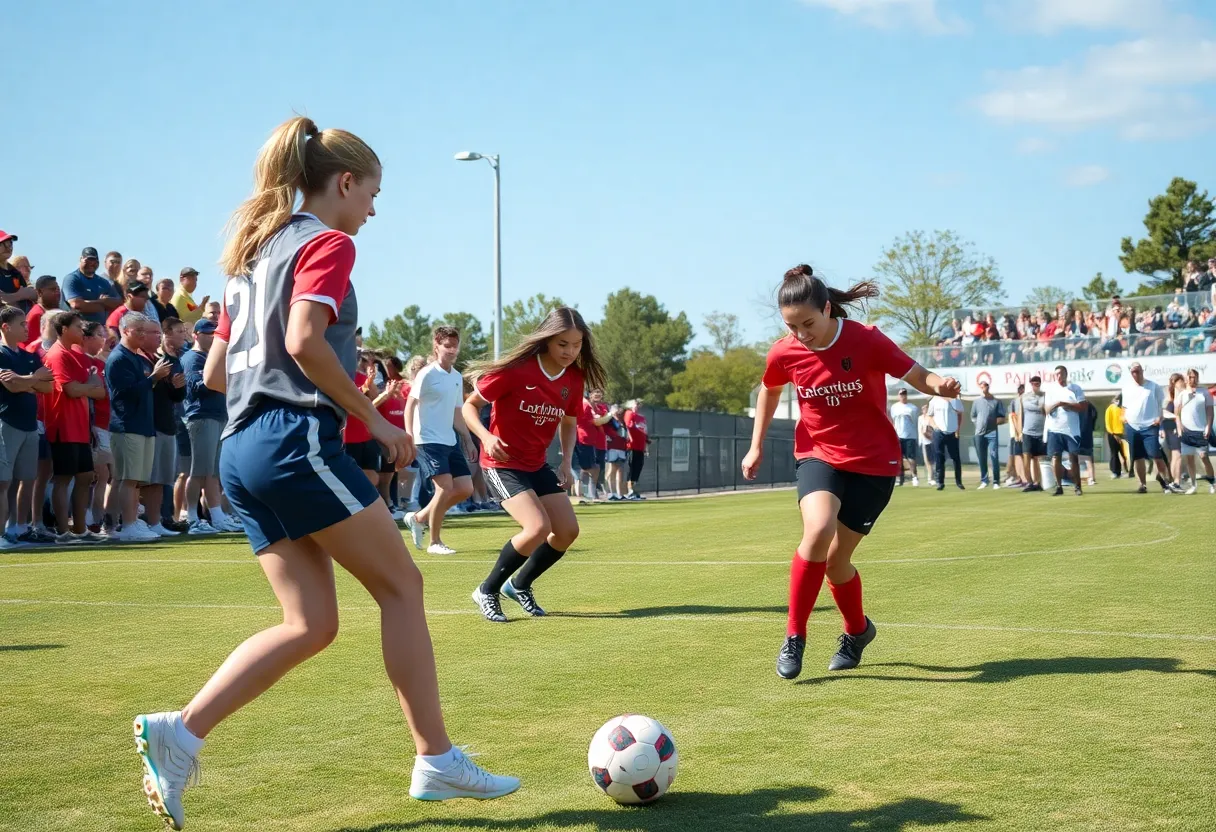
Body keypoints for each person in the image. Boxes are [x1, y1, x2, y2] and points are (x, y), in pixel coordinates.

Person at [132, 117, 517, 832]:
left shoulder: (251, 255)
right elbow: (304, 340)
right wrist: (374, 420)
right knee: (403, 585)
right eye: (372, 192)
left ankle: (179, 734)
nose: (374, 208)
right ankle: (435, 758)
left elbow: (216, 370)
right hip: (291, 437)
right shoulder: (328, 242)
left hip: (242, 447)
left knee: (309, 623)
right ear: (344, 183)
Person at [742, 264, 960, 681]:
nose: (801, 334)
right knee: (818, 530)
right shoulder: (784, 351)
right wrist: (755, 446)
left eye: (808, 323)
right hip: (818, 454)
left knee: (837, 562)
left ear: (828, 309)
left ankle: (857, 631)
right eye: (792, 326)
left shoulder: (866, 340)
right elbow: (770, 390)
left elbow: (916, 374)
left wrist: (940, 386)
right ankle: (794, 637)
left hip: (874, 464)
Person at [463, 307, 603, 622]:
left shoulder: (573, 378)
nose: (570, 351)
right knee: (537, 527)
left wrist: (566, 462)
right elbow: (469, 407)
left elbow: (569, 422)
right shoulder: (516, 369)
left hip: (537, 465)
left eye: (577, 344)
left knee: (566, 531)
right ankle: (487, 589)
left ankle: (520, 584)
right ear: (546, 341)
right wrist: (486, 438)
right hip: (501, 465)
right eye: (562, 344)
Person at [404, 326, 476, 556]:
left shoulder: (456, 377)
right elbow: (410, 404)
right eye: (448, 346)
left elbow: (457, 412)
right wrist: (408, 434)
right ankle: (435, 542)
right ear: (437, 346)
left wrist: (467, 438)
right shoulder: (426, 373)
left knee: (465, 488)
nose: (453, 350)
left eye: (455, 346)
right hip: (427, 439)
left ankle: (419, 517)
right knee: (444, 488)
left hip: (449, 439)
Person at [106, 312, 170, 542]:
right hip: (127, 426)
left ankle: (133, 522)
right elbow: (123, 393)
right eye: (138, 330)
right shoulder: (118, 358)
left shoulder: (135, 357)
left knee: (137, 480)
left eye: (145, 330)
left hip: (142, 425)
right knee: (129, 478)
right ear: (125, 331)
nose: (143, 335)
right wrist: (153, 378)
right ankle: (128, 525)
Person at [45, 312, 106, 540]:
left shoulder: (76, 355)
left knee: (85, 475)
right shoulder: (58, 355)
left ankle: (80, 529)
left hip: (80, 427)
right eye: (78, 327)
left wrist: (85, 387)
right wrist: (86, 386)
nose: (82, 331)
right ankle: (63, 530)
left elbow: (99, 391)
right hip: (63, 424)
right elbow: (71, 390)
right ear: (63, 330)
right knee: (63, 477)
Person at [0, 307, 53, 548]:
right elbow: (10, 386)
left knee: (27, 478)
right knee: (3, 481)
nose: (26, 328)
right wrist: (34, 379)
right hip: (7, 422)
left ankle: (18, 528)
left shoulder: (27, 356)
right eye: (21, 324)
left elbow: (48, 386)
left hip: (30, 424)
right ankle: (2, 534)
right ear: (5, 327)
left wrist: (26, 381)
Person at [179, 319, 237, 534]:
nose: (212, 337)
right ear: (195, 334)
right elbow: (197, 387)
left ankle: (216, 516)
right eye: (207, 333)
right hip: (201, 416)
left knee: (211, 472)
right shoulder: (192, 358)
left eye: (214, 333)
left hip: (217, 415)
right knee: (199, 471)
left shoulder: (209, 358)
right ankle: (192, 517)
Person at [147, 317, 187, 536]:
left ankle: (166, 518)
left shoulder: (178, 360)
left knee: (166, 476)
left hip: (170, 421)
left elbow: (176, 395)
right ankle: (157, 518)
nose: (184, 335)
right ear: (166, 334)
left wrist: (178, 387)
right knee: (155, 477)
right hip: (154, 424)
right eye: (179, 331)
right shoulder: (158, 360)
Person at [1120, 362, 1178, 494]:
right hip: (1132, 426)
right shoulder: (1127, 388)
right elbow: (1125, 408)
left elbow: (1161, 406)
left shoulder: (1153, 387)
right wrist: (1124, 418)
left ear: (1142, 371)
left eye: (1138, 371)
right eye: (1133, 371)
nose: (1136, 374)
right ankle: (1142, 484)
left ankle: (1166, 482)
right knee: (1137, 457)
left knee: (1156, 455)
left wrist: (1159, 418)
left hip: (1150, 426)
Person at [373, 356, 410, 516]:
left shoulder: (398, 389)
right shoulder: (379, 392)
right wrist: (385, 395)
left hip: (396, 439)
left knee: (390, 475)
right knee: (381, 477)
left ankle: (391, 503)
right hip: (380, 438)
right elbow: (370, 407)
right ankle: (387, 505)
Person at [1044, 366, 1086, 497]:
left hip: (1071, 430)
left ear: (1066, 374)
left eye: (1061, 373)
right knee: (1056, 457)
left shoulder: (1075, 388)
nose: (1059, 376)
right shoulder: (1050, 390)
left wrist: (1066, 404)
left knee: (1073, 457)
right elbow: (1046, 409)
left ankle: (1077, 486)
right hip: (1054, 429)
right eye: (1056, 374)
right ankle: (1059, 486)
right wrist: (1056, 404)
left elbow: (1083, 406)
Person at [62, 247, 124, 326]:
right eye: (88, 260)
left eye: (95, 260)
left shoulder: (103, 282)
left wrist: (92, 302)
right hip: (78, 329)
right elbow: (76, 305)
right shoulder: (72, 279)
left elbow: (119, 303)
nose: (92, 263)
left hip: (99, 330)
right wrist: (103, 303)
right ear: (81, 259)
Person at [1177, 368, 1215, 494]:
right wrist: (1179, 428)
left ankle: (1213, 482)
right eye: (1191, 377)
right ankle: (1193, 485)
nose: (1193, 379)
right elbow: (1177, 413)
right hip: (1186, 431)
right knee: (1189, 458)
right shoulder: (1181, 394)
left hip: (1201, 430)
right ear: (1186, 378)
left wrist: (1208, 426)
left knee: (1204, 457)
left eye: (1195, 377)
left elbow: (1210, 411)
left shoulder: (1204, 392)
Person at [970, 380, 1005, 489]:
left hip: (992, 433)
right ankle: (984, 480)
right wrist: (979, 424)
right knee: (982, 458)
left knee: (994, 456)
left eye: (984, 386)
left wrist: (993, 422)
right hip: (979, 434)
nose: (982, 388)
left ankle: (996, 481)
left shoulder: (996, 402)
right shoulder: (976, 402)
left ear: (988, 387)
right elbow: (973, 416)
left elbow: (1002, 417)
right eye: (981, 386)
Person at [927, 391, 964, 491]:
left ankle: (959, 482)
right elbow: (929, 415)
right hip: (939, 432)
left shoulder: (955, 399)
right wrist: (935, 426)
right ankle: (940, 482)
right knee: (939, 457)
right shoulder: (934, 400)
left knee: (955, 458)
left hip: (952, 432)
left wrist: (957, 429)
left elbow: (960, 414)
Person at [1020, 375, 1047, 492]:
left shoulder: (1045, 396)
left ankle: (1037, 482)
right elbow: (1021, 414)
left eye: (1037, 383)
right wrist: (1019, 431)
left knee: (1038, 459)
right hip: (1027, 432)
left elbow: (1046, 411)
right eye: (1033, 383)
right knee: (1026, 457)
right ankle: (1029, 482)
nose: (1035, 385)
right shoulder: (1024, 397)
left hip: (1041, 432)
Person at [888, 388, 920, 487]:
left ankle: (914, 476)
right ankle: (900, 478)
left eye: (904, 394)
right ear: (899, 396)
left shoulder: (912, 408)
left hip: (910, 436)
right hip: (898, 436)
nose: (903, 396)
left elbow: (915, 421)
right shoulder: (894, 407)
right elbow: (892, 420)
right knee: (899, 458)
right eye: (901, 394)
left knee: (911, 458)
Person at [0, 229, 37, 310]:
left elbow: (32, 295)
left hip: (20, 319)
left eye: (10, 243)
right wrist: (20, 295)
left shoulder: (15, 273)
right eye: (1, 245)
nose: (8, 248)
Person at [23, 276, 62, 348]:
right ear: (40, 292)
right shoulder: (37, 315)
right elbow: (30, 346)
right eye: (53, 289)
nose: (57, 293)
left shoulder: (54, 313)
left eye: (58, 289)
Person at [623, 397, 649, 499]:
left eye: (639, 404)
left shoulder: (642, 418)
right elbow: (629, 426)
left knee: (638, 468)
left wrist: (646, 446)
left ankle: (634, 490)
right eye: (636, 404)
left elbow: (645, 433)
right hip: (632, 446)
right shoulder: (629, 413)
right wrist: (630, 438)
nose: (638, 406)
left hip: (640, 447)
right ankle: (629, 491)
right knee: (632, 468)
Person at [1161, 373, 1184, 489]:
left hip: (1171, 425)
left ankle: (1173, 481)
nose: (1183, 383)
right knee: (1177, 455)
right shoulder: (1173, 396)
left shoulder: (1172, 394)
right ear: (1176, 382)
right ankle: (1176, 481)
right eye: (1181, 381)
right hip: (1173, 426)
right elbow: (1164, 412)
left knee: (1175, 455)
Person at [602, 403, 629, 500]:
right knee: (612, 469)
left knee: (620, 470)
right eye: (617, 409)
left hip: (621, 447)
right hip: (613, 447)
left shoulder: (622, 421)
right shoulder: (609, 420)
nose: (619, 411)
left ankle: (619, 493)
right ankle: (610, 492)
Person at [1005, 383, 1026, 487]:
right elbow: (1013, 417)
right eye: (1019, 389)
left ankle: (1025, 478)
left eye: (1022, 388)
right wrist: (1017, 432)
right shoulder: (1014, 402)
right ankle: (1017, 477)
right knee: (1015, 455)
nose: (1020, 390)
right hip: (1016, 434)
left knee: (1026, 456)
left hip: (1026, 432)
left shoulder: (1027, 400)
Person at [1105, 394, 1128, 479]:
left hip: (1124, 434)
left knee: (1125, 454)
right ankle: (1115, 472)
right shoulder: (1110, 408)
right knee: (1114, 453)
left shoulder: (1123, 408)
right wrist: (1113, 434)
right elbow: (1108, 423)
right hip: (1113, 434)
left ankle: (1128, 470)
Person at [1077, 397, 1099, 487]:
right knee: (1088, 457)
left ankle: (1080, 478)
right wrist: (1091, 426)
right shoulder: (1089, 404)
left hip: (1076, 432)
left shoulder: (1073, 404)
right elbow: (1095, 414)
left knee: (1076, 457)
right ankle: (1091, 478)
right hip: (1087, 431)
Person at [917, 404, 936, 486]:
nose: (925, 410)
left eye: (927, 409)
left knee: (932, 460)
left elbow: (932, 429)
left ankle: (932, 477)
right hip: (924, 441)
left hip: (932, 441)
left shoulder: (932, 418)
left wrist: (930, 436)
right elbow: (920, 430)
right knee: (927, 460)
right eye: (924, 409)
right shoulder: (920, 418)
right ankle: (930, 478)